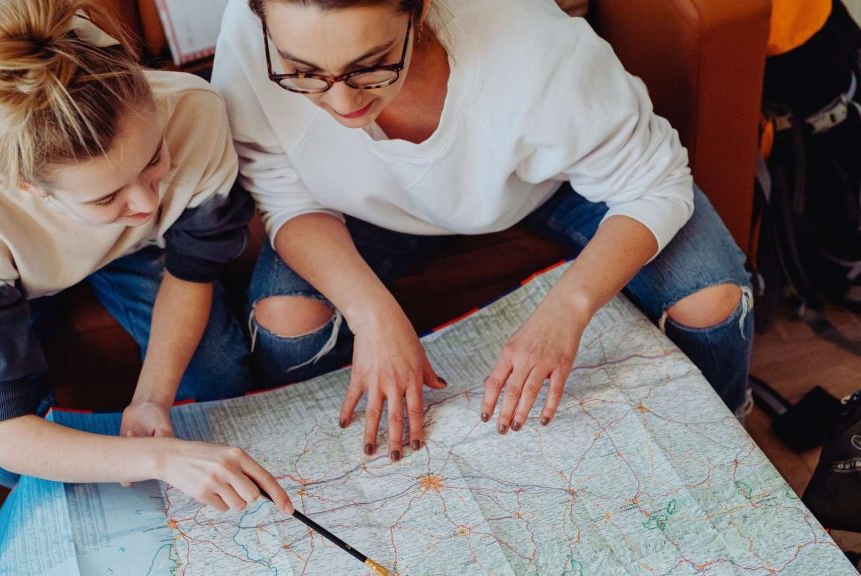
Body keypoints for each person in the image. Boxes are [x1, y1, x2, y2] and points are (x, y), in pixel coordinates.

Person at [212, 0, 755, 461]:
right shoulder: (254, 27)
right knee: (288, 323)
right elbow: (286, 196)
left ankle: (728, 450)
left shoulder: (534, 48)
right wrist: (371, 314)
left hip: (547, 188)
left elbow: (655, 186)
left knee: (710, 303)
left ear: (419, 10)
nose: (342, 103)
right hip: (356, 210)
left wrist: (566, 311)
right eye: (302, 71)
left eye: (371, 66)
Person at [0, 0, 291, 515]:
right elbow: (7, 436)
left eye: (154, 159)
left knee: (218, 378)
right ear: (30, 188)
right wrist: (156, 459)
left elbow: (192, 272)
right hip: (11, 267)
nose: (148, 205)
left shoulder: (193, 109)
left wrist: (152, 399)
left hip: (129, 250)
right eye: (107, 196)